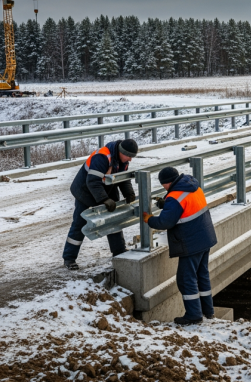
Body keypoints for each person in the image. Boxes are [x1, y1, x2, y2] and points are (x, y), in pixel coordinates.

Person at [142, 167, 217, 325]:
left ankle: (194, 315)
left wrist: (149, 219)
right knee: (201, 275)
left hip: (191, 242)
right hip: (205, 237)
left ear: (168, 183)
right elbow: (184, 208)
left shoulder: (175, 197)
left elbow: (165, 222)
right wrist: (165, 204)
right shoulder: (192, 186)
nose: (164, 188)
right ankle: (207, 311)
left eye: (164, 185)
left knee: (185, 278)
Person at [62, 139, 138, 270]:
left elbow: (122, 178)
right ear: (121, 152)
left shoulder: (122, 159)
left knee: (114, 219)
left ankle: (118, 250)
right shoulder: (102, 157)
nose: (130, 160)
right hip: (84, 191)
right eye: (129, 156)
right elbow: (92, 181)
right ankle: (69, 258)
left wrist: (128, 193)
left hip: (105, 189)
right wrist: (104, 199)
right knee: (80, 224)